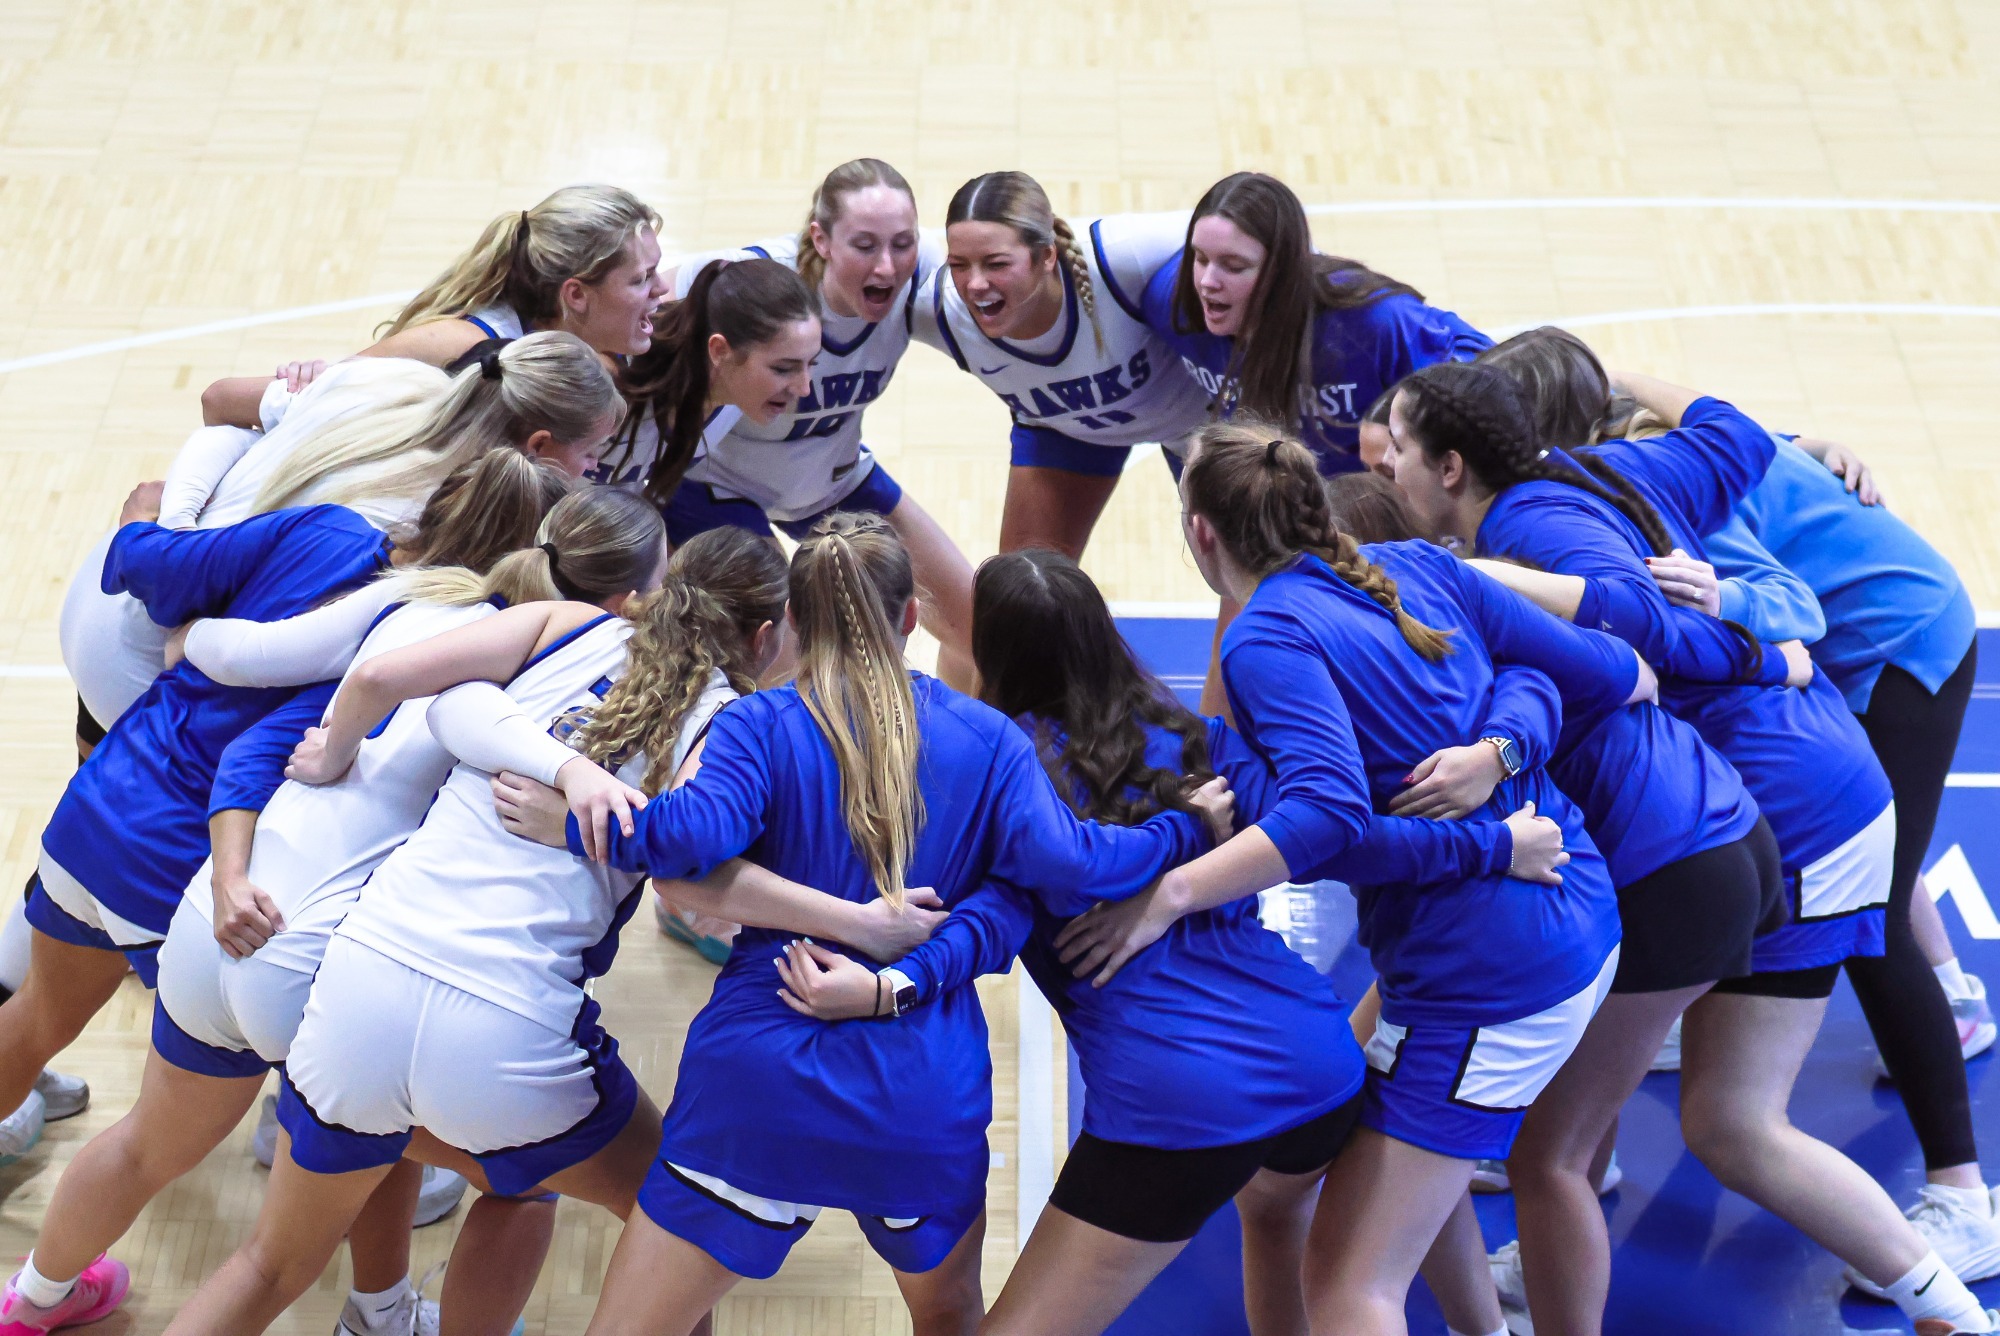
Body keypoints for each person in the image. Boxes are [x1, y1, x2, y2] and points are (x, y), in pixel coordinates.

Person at [776, 547, 1576, 1336]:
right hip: (1314, 1067)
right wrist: (1493, 846)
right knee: (1273, 1226)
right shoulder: (1206, 743)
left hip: (1175, 1106)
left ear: (993, 652)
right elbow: (1343, 839)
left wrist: (883, 981)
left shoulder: (998, 778)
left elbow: (974, 927)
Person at [1384, 358, 1999, 1335]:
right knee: (1629, 1082)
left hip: (1795, 809)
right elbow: (1738, 432)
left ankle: (1953, 1267)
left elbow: (1630, 633)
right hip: (1783, 791)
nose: (1382, 461)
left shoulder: (1525, 528)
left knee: (1723, 1122)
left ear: (1452, 466)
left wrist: (1476, 578)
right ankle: (1564, 1231)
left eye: (1399, 446)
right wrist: (1626, 368)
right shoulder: (1619, 469)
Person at [507, 514, 1227, 1336]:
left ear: (790, 627)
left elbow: (682, 844)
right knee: (951, 1317)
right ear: (911, 617)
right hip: (918, 1103)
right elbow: (1078, 866)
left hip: (759, 1089)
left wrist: (571, 817)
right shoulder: (991, 740)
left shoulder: (755, 726)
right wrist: (1185, 828)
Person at [1054, 422, 1652, 1336]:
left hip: (1492, 969)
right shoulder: (1422, 565)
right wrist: (1501, 748)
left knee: (1347, 1285)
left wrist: (1170, 893)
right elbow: (1609, 667)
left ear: (1202, 533)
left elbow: (1328, 819)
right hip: (1571, 912)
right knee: (1394, 1161)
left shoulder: (1266, 637)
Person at [158, 518, 785, 1336]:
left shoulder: (566, 622)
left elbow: (382, 676)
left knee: (268, 1266)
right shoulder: (732, 726)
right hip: (507, 1028)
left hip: (356, 994)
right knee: (671, 1232)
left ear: (658, 590)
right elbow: (693, 880)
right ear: (765, 637)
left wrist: (331, 754)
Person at [0, 452, 574, 1336]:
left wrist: (148, 526)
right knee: (370, 1128)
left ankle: (32, 1303)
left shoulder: (328, 529)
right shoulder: (456, 652)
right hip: (193, 868)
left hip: (103, 802)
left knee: (46, 1025)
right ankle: (379, 1307)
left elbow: (154, 576)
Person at [62, 331, 623, 734]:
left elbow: (221, 406)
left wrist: (173, 523)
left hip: (103, 589)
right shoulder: (433, 521)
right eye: (591, 455)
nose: (591, 473)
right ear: (541, 447)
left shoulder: (392, 375)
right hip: (148, 659)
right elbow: (256, 648)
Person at [1137, 172, 1489, 715]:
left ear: (1280, 273)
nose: (1207, 280)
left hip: (1385, 531)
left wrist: (1391, 415)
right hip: (1285, 527)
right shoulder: (1173, 305)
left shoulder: (1368, 322)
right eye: (1199, 259)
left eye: (1233, 267)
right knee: (1237, 658)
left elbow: (1487, 372)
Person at [647, 160, 979, 691]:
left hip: (831, 479)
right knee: (789, 663)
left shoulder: (928, 271)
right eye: (865, 245)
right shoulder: (743, 281)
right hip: (716, 485)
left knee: (980, 632)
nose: (888, 267)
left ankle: (959, 760)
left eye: (902, 244)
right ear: (820, 239)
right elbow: (634, 309)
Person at [908, 172, 1210, 562]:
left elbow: (1259, 224)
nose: (975, 284)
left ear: (1047, 255)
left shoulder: (1122, 257)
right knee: (1021, 600)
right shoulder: (943, 311)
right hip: (1064, 431)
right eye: (959, 265)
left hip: (1202, 425)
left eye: (996, 263)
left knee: (1257, 578)